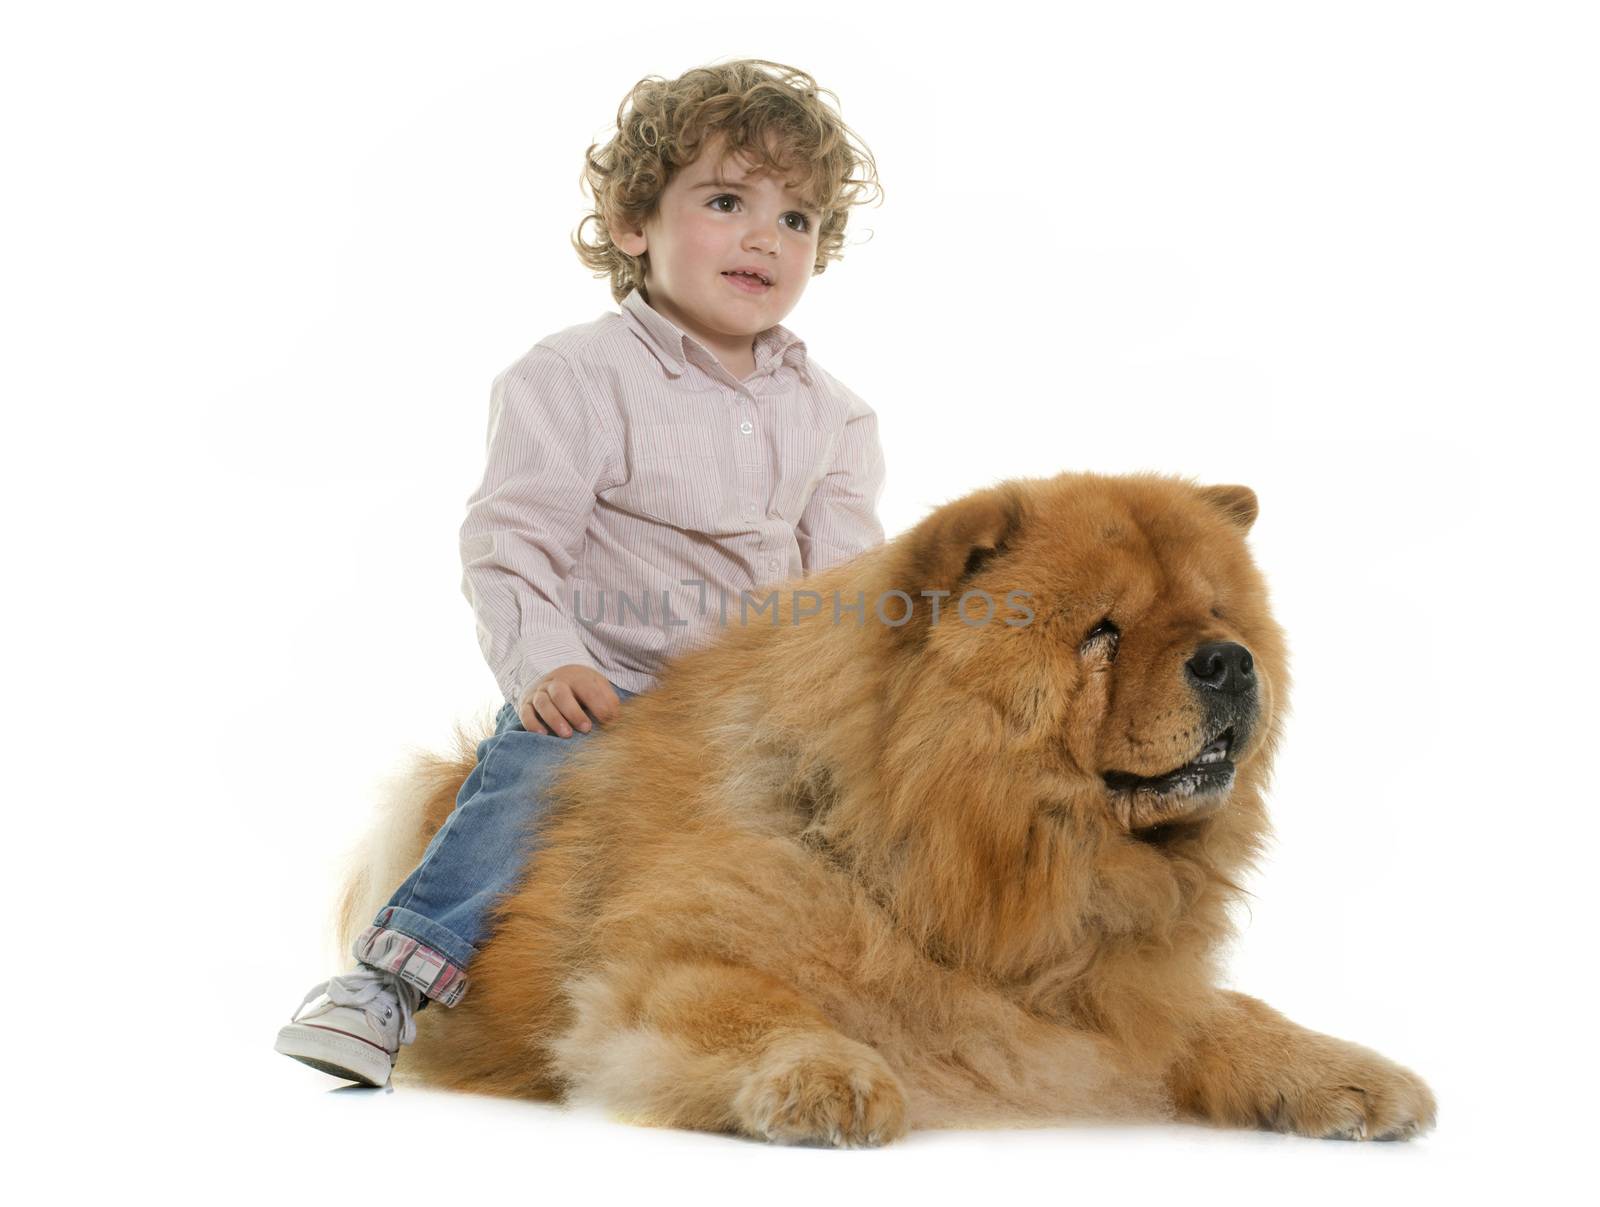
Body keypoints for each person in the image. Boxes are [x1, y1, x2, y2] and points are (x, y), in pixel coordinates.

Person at [275, 58, 888, 1087]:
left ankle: (869, 995)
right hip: (613, 689)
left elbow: (841, 592)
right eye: (727, 201)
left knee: (872, 814)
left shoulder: (835, 415)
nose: (762, 237)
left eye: (797, 219)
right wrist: (546, 663)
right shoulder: (574, 378)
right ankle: (387, 984)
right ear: (632, 222)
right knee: (527, 776)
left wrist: (852, 706)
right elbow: (513, 542)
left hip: (754, 710)